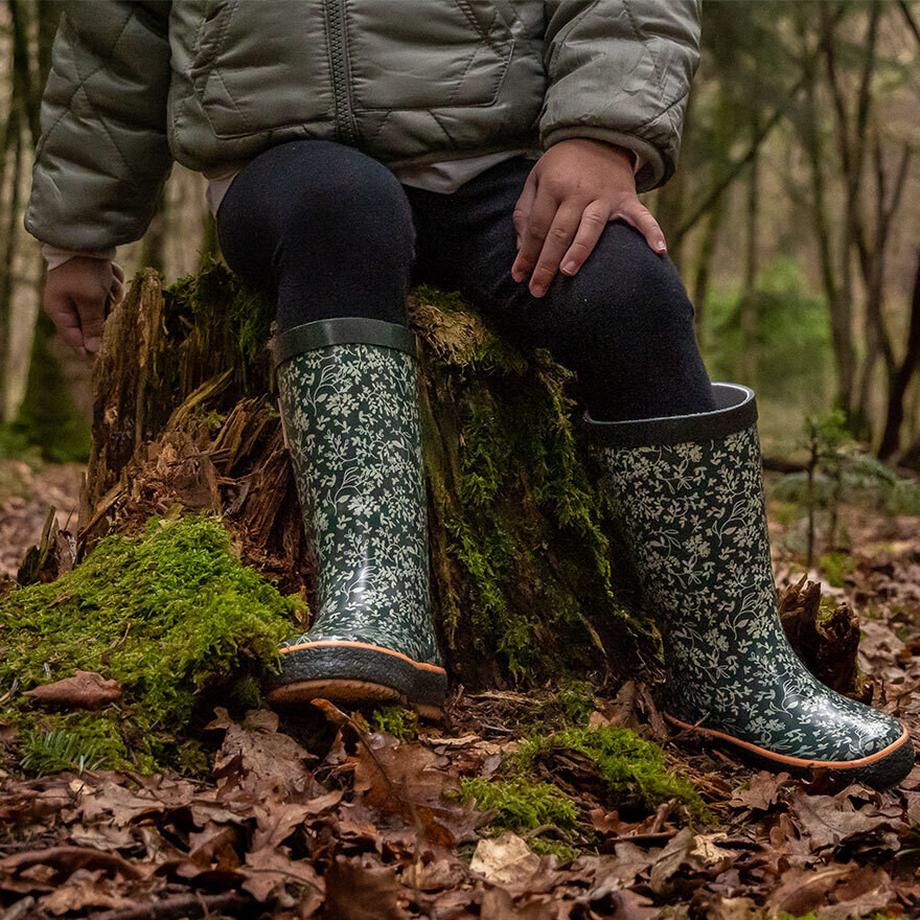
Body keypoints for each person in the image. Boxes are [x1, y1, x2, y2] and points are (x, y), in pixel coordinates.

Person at [26, 1, 913, 788]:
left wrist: (601, 132)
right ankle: (380, 597)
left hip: (506, 170)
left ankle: (735, 666)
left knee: (627, 292)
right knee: (343, 206)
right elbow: (114, 37)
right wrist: (78, 235)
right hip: (288, 175)